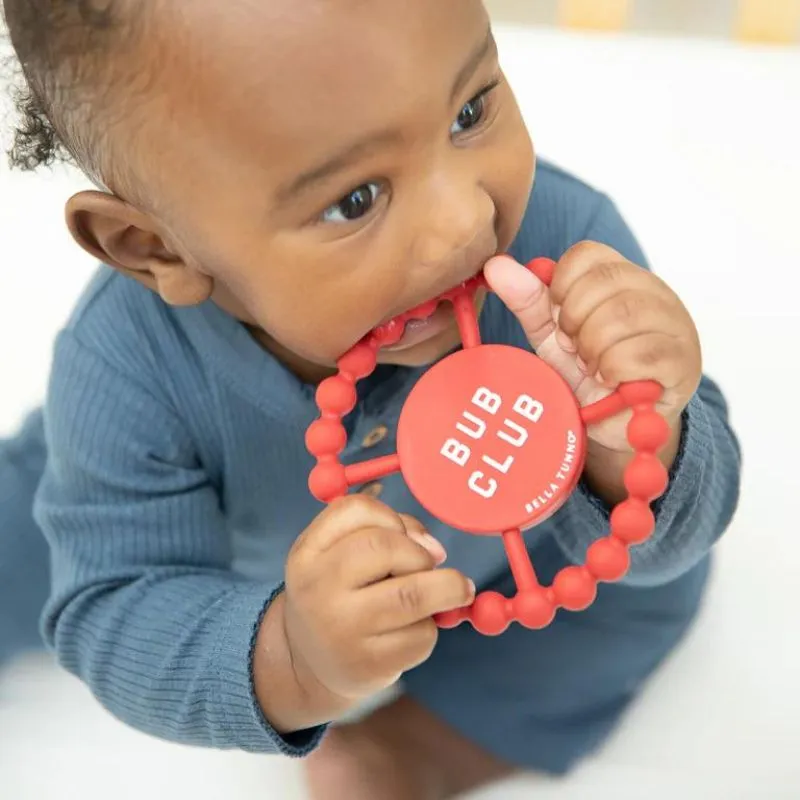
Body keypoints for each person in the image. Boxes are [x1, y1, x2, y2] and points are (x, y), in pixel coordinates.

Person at [0, 1, 741, 797]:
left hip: (503, 557)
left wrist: (633, 439)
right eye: (355, 200)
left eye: (469, 111)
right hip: (205, 537)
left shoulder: (566, 248)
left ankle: (430, 740)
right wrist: (293, 657)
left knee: (653, 589)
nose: (468, 220)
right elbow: (118, 609)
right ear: (157, 249)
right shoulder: (124, 367)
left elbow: (676, 503)